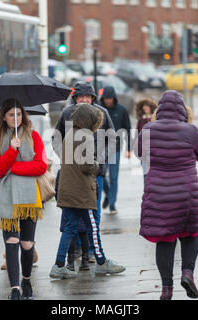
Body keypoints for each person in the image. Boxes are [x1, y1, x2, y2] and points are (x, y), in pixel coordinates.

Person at [135, 90, 198, 300]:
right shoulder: (190, 130)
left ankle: (166, 288)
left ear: (160, 108)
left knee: (165, 238)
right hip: (185, 192)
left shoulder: (148, 129)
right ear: (181, 109)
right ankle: (187, 272)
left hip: (158, 193)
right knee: (190, 234)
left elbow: (139, 152)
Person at [50, 103, 126, 279]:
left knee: (69, 228)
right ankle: (101, 262)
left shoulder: (69, 135)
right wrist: (97, 165)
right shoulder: (87, 137)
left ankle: (59, 265)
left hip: (68, 189)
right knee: (92, 226)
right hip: (82, 192)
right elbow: (87, 165)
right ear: (89, 120)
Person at [0, 99, 47, 300]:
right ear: (4, 116)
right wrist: (12, 151)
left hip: (29, 199)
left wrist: (13, 168)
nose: (16, 118)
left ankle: (27, 280)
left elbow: (40, 166)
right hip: (6, 197)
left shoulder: (34, 136)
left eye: (19, 114)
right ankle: (14, 289)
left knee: (27, 243)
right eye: (11, 114)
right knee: (11, 241)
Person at [53, 81, 116, 262]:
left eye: (88, 97)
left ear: (93, 98)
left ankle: (90, 250)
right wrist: (65, 157)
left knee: (93, 214)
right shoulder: (66, 114)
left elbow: (112, 138)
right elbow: (56, 138)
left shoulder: (102, 113)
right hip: (73, 174)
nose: (85, 100)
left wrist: (101, 159)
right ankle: (78, 249)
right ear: (75, 98)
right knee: (73, 214)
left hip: (96, 171)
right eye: (81, 96)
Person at [100, 86, 132, 215]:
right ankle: (108, 194)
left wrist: (129, 148)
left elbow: (128, 130)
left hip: (116, 149)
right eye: (106, 98)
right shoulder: (99, 110)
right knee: (101, 174)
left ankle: (112, 204)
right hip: (101, 149)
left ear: (114, 98)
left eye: (110, 98)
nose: (108, 101)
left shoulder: (121, 110)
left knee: (113, 177)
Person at [135, 98, 157, 178]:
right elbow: (137, 135)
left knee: (154, 174)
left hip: (154, 151)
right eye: (144, 106)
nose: (145, 108)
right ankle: (147, 190)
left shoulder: (156, 119)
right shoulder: (141, 120)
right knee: (146, 175)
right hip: (144, 151)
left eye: (147, 105)